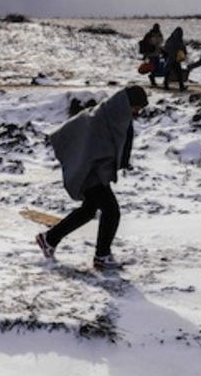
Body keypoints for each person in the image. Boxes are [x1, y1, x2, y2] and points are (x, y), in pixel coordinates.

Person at [35, 85, 148, 270]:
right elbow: (84, 136)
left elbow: (119, 142)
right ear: (128, 103)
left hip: (94, 170)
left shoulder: (116, 116)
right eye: (137, 107)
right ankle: (102, 256)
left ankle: (49, 238)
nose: (138, 112)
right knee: (111, 211)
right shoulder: (103, 117)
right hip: (90, 170)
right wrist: (85, 162)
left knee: (89, 210)